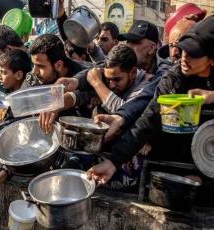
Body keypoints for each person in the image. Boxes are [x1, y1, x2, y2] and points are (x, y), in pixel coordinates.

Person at [88, 16, 214, 203]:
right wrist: (114, 161)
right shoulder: (175, 77)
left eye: (194, 54)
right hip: (175, 164)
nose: (185, 58)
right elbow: (148, 119)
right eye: (183, 50)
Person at [39, 44, 156, 135]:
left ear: (133, 72)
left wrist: (97, 83)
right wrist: (55, 105)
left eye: (117, 79)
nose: (111, 85)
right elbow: (80, 96)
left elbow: (126, 112)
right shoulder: (108, 80)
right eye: (108, 79)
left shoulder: (147, 85)